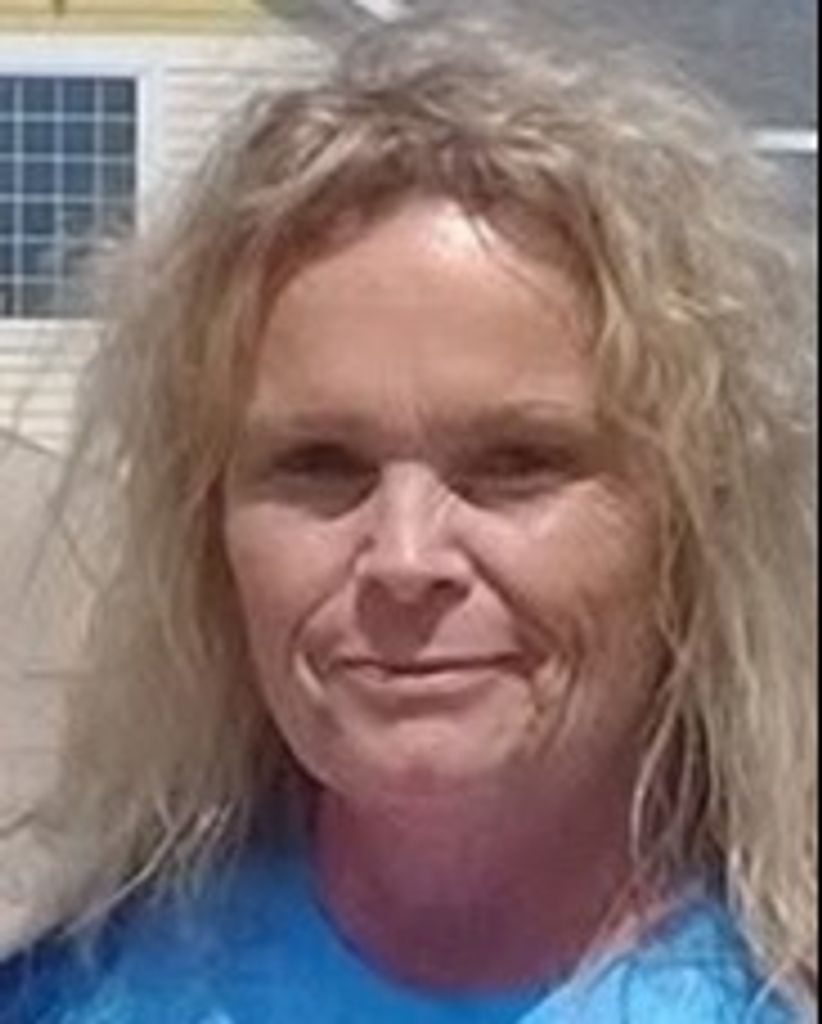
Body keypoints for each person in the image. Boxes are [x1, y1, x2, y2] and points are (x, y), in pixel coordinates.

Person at [0, 9, 815, 1022]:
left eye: (516, 465)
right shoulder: (70, 992)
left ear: (693, 521)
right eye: (320, 466)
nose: (405, 557)